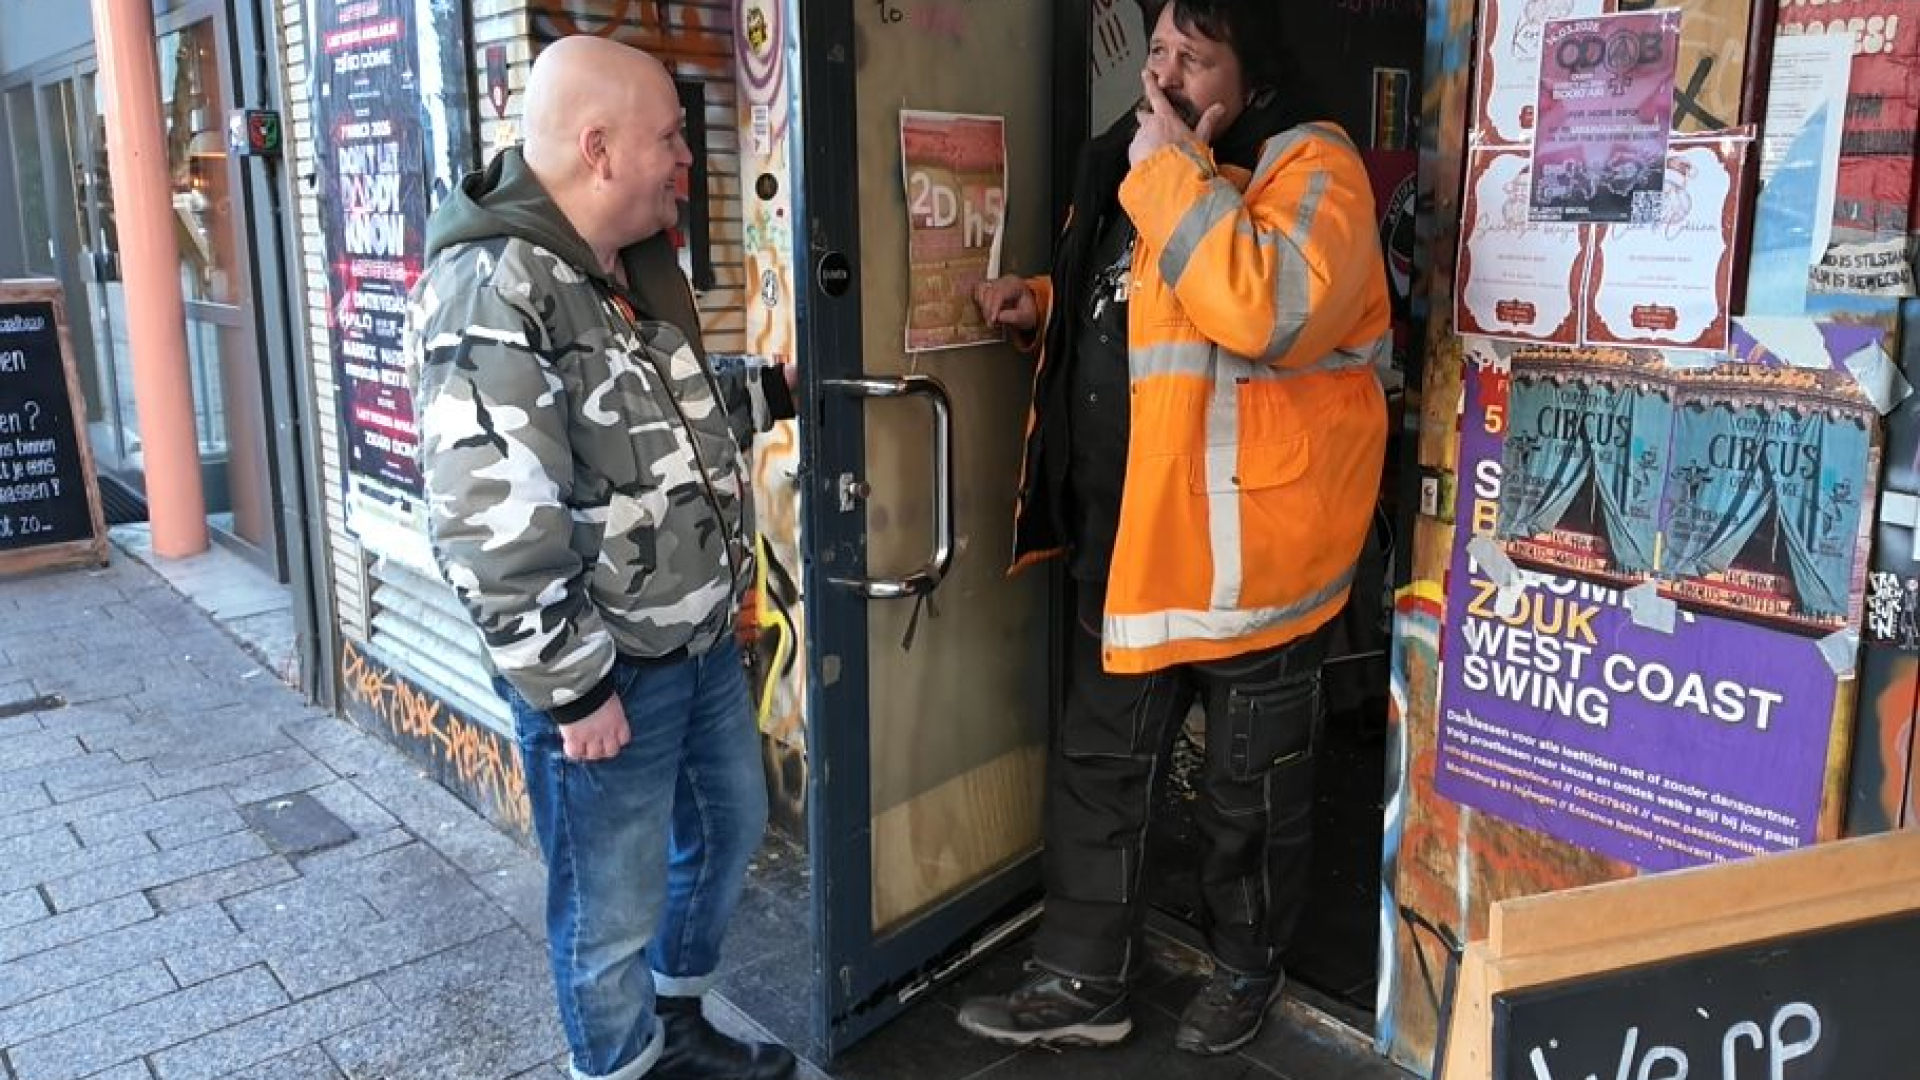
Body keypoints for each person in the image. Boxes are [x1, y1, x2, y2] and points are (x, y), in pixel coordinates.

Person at [956, 0, 1389, 1057]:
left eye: (1195, 57)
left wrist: (1166, 171)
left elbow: (1267, 308)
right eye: (1156, 50)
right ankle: (1081, 981)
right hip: (1132, 545)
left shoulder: (1314, 169)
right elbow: (1143, 297)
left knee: (1252, 799)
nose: (1163, 74)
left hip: (1251, 569)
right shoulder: (1153, 166)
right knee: (1099, 773)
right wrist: (1048, 303)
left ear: (1254, 76)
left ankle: (1246, 969)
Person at [409, 36, 794, 1080]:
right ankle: (622, 1065)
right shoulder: (490, 287)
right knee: (607, 909)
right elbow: (488, 523)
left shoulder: (622, 264)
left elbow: (648, 421)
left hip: (693, 646)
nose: (685, 158)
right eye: (670, 138)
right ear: (598, 148)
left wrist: (767, 392)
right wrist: (575, 690)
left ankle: (676, 1028)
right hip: (607, 673)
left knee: (728, 830)